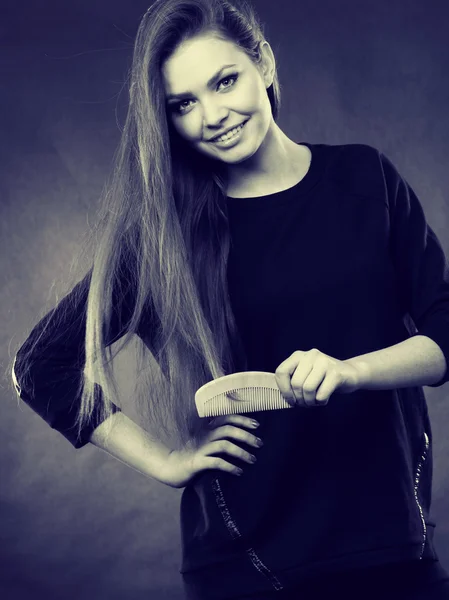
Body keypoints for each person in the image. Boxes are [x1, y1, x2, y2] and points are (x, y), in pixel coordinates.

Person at [10, 0, 449, 598]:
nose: (212, 115)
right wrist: (167, 463)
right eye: (183, 104)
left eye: (225, 81)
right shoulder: (164, 236)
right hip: (247, 568)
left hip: (393, 544)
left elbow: (443, 332)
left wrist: (351, 372)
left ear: (262, 62)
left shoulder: (366, 179)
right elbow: (42, 365)